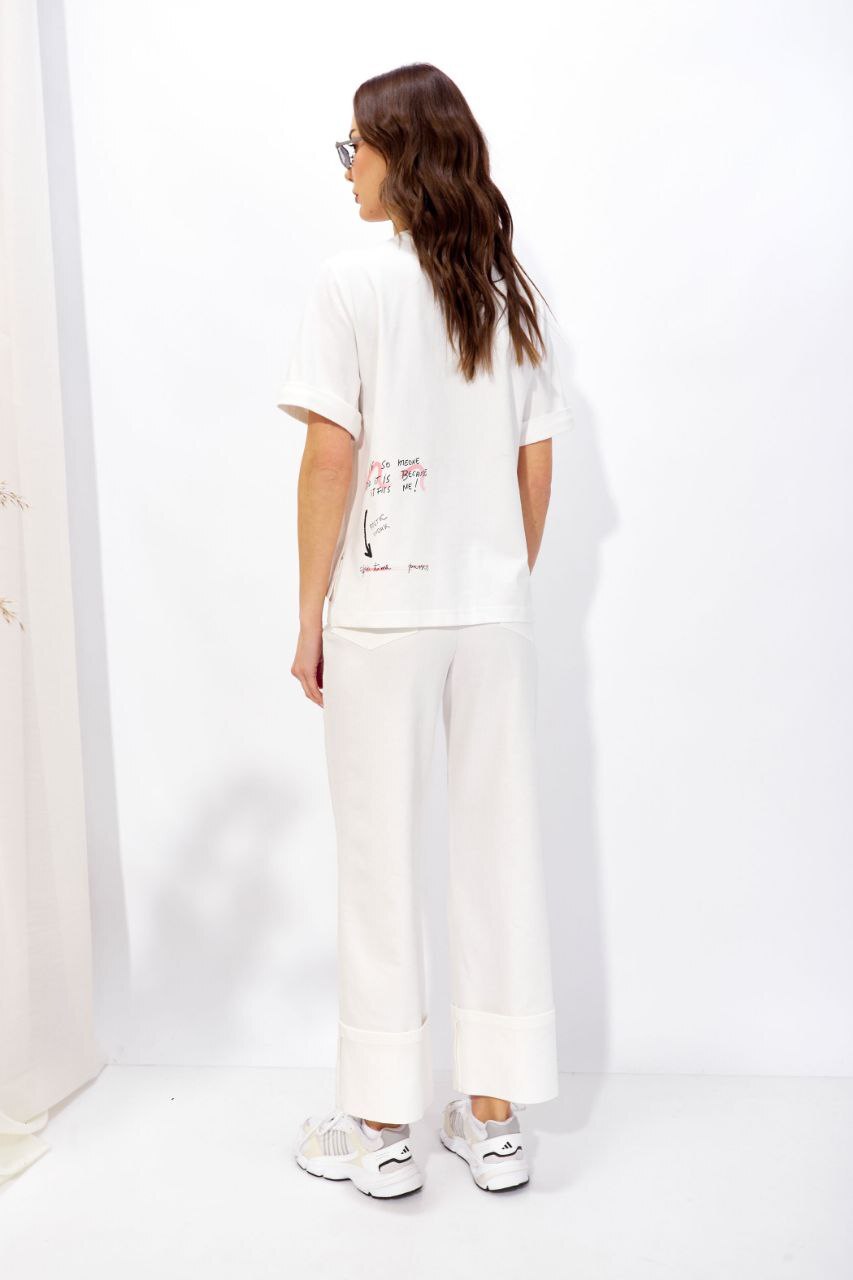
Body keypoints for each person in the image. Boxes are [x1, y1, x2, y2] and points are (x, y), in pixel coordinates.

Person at [277, 63, 573, 1198]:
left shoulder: (349, 283)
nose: (346, 166)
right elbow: (535, 462)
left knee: (379, 853)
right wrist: (493, 573)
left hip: (381, 610)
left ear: (402, 154)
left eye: (354, 145)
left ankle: (381, 1127)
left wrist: (309, 608)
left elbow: (330, 455)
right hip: (490, 609)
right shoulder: (508, 293)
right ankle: (492, 1121)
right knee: (499, 848)